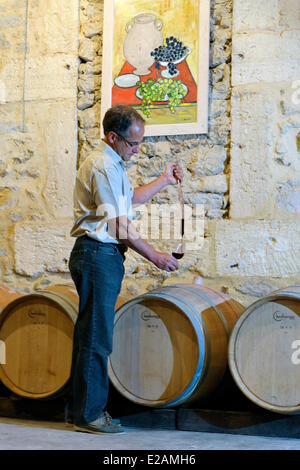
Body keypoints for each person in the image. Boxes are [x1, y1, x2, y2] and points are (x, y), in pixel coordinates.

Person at [66, 104, 183, 434]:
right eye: (133, 144)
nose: (137, 150)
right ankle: (89, 415)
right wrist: (156, 257)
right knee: (97, 337)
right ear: (113, 137)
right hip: (97, 254)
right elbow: (118, 225)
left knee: (92, 334)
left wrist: (163, 180)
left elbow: (130, 199)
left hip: (101, 255)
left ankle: (79, 413)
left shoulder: (113, 164)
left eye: (140, 143)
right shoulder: (103, 165)